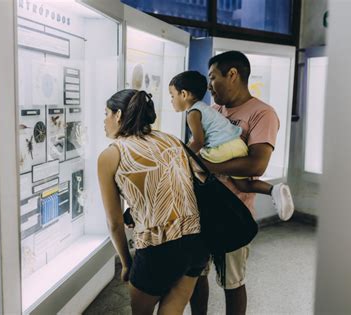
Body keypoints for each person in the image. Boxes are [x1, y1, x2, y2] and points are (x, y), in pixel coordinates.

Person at [187, 50, 287, 315]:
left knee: (232, 283)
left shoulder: (263, 114)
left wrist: (209, 165)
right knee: (196, 275)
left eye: (213, 78)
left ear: (233, 75)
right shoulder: (213, 110)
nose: (209, 86)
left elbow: (257, 164)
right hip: (201, 209)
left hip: (233, 213)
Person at [97, 89, 210, 315]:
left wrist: (127, 263)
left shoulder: (111, 155)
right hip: (196, 240)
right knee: (173, 309)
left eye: (106, 113)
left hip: (157, 248)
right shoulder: (172, 140)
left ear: (118, 115)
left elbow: (115, 223)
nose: (104, 119)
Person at [168, 70, 294, 221]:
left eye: (172, 96)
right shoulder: (210, 108)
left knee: (196, 163)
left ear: (184, 94)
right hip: (236, 145)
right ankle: (274, 189)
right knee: (244, 184)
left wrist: (182, 156)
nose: (171, 100)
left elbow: (198, 141)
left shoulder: (193, 113)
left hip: (222, 150)